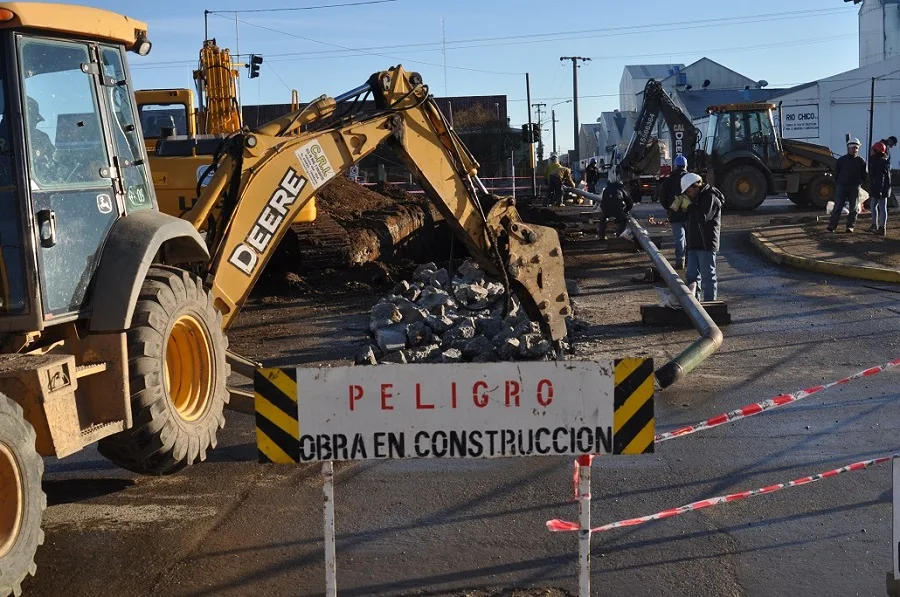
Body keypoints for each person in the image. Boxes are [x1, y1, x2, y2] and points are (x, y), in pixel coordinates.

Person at [681, 172, 723, 302]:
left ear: (695, 186)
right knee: (691, 275)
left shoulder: (710, 197)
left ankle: (710, 303)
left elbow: (703, 217)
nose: (688, 194)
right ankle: (695, 303)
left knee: (708, 277)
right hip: (694, 243)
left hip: (706, 243)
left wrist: (690, 207)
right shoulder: (698, 198)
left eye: (688, 191)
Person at [827, 138, 867, 233]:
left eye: (856, 148)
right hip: (842, 186)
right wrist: (840, 182)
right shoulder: (841, 160)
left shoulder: (861, 161)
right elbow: (836, 173)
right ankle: (832, 226)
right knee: (837, 207)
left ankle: (850, 226)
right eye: (853, 147)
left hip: (854, 187)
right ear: (848, 148)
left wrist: (858, 184)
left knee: (853, 208)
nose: (854, 150)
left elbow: (864, 175)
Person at [659, 154, 690, 269]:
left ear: (675, 166)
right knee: (690, 237)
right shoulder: (691, 179)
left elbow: (662, 197)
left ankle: (679, 261)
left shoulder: (668, 181)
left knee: (679, 238)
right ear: (686, 166)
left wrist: (668, 208)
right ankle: (689, 260)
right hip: (689, 213)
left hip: (674, 213)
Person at [597, 170, 633, 239]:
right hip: (617, 209)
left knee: (603, 219)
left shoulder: (606, 189)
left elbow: (603, 202)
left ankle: (601, 235)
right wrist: (625, 211)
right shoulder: (622, 189)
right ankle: (619, 235)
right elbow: (629, 203)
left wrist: (604, 210)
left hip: (606, 209)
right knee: (623, 220)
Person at [869, 141, 891, 235]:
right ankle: (878, 226)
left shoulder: (877, 162)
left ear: (876, 151)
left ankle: (880, 227)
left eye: (872, 149)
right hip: (882, 188)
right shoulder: (882, 161)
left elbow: (879, 178)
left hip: (879, 189)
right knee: (878, 207)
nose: (870, 151)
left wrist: (879, 191)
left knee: (877, 207)